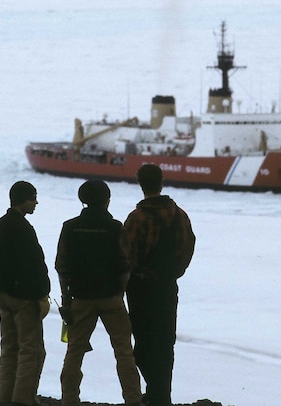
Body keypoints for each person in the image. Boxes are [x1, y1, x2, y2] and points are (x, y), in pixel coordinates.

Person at [55, 180, 144, 406]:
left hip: (81, 298)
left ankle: (69, 400)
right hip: (111, 298)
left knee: (74, 352)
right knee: (124, 351)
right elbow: (126, 264)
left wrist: (66, 300)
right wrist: (120, 293)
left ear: (82, 199)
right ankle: (133, 400)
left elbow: (62, 266)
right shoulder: (115, 227)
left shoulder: (70, 227)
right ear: (107, 200)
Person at [124, 164, 196, 406]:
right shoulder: (180, 215)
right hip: (167, 286)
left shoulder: (137, 218)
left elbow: (127, 256)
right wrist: (174, 272)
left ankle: (156, 394)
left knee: (142, 343)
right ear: (161, 181)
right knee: (165, 343)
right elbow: (188, 248)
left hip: (140, 289)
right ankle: (161, 396)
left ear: (140, 183)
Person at [0, 181, 51, 406]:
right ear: (23, 199)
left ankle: (5, 399)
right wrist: (42, 293)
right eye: (33, 198)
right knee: (32, 351)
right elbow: (34, 265)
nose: (36, 202)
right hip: (24, 299)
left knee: (9, 350)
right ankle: (23, 399)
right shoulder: (23, 229)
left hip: (4, 296)